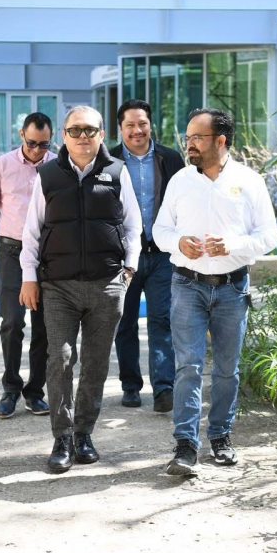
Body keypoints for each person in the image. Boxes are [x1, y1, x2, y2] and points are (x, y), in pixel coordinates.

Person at [153, 108, 277, 476]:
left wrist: (234, 245)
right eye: (188, 137)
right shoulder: (180, 181)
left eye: (197, 138)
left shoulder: (249, 181)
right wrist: (179, 242)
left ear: (220, 141)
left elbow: (268, 237)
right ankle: (185, 446)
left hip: (232, 288)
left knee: (227, 370)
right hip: (187, 285)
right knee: (188, 367)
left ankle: (221, 438)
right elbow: (160, 231)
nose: (189, 144)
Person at [20, 106, 141, 473]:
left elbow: (134, 226)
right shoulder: (47, 175)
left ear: (102, 134)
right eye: (76, 130)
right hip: (58, 286)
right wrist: (29, 277)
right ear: (64, 136)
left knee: (95, 364)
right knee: (59, 359)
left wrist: (130, 269)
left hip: (107, 285)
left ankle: (84, 433)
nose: (83, 136)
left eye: (91, 130)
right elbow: (32, 232)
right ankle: (62, 437)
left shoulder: (118, 172)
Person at [0, 113, 54, 419]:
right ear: (21, 135)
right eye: (31, 143)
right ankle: (10, 388)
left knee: (44, 326)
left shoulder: (57, 165)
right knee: (12, 322)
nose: (36, 150)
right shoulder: (3, 165)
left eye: (43, 144)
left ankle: (35, 391)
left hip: (48, 254)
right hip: (11, 251)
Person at [110, 100, 184, 413]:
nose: (137, 130)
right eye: (130, 125)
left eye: (143, 124)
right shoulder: (109, 160)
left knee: (162, 320)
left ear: (150, 125)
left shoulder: (170, 158)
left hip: (162, 255)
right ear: (121, 128)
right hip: (125, 255)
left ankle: (164, 389)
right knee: (124, 322)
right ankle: (130, 385)